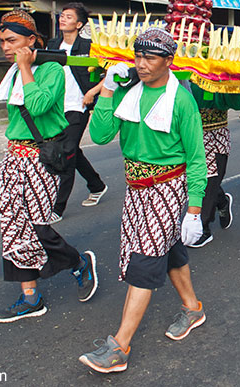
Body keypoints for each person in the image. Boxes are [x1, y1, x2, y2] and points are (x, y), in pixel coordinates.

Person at [80, 28, 207, 373]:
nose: (141, 64)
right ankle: (192, 307)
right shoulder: (128, 93)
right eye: (138, 56)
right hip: (135, 188)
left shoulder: (181, 100)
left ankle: (119, 346)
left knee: (146, 260)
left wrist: (193, 209)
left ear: (169, 61)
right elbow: (102, 135)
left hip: (167, 187)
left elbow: (197, 158)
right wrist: (107, 88)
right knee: (168, 250)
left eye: (150, 58)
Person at [0, 10, 97, 323]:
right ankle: (30, 296)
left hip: (41, 158)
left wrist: (26, 68)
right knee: (11, 224)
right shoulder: (14, 70)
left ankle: (78, 262)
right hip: (14, 157)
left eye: (12, 41)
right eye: (2, 42)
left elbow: (37, 105)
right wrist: (21, 68)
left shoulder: (51, 70)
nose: (6, 47)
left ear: (32, 41)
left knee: (37, 227)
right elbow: (15, 116)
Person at [46, 3, 107, 223]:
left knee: (66, 153)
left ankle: (57, 207)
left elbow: (108, 73)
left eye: (68, 17)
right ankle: (97, 185)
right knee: (71, 149)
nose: (63, 19)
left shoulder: (89, 46)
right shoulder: (52, 45)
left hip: (78, 106)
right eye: (62, 16)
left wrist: (92, 92)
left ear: (79, 24)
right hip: (56, 107)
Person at [188, 84, 240, 247]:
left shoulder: (221, 74)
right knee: (196, 180)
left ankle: (202, 227)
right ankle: (222, 201)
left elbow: (237, 103)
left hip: (215, 135)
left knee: (209, 181)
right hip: (189, 136)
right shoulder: (184, 73)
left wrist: (230, 83)